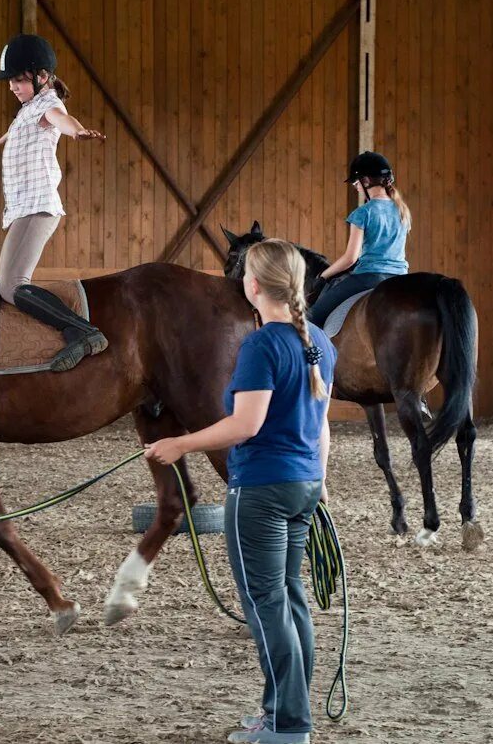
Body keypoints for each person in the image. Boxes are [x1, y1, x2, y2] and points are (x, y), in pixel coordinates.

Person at [145, 239, 337, 744]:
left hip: (260, 490)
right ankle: (284, 711)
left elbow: (245, 425)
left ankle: (287, 724)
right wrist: (317, 483)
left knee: (266, 603)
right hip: (302, 485)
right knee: (289, 598)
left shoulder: (261, 345)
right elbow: (322, 429)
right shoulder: (319, 341)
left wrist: (178, 444)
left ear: (253, 286)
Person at [0, 33, 108, 371]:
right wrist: (9, 135)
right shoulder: (28, 109)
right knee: (7, 285)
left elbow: (61, 119)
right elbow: (29, 126)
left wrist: (77, 131)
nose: (12, 86)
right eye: (9, 80)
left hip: (37, 207)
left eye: (18, 79)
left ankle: (83, 333)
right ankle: (79, 332)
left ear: (42, 76)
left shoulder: (47, 105)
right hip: (24, 209)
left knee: (12, 285)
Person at [308, 151, 412, 328]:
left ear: (365, 181)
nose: (356, 187)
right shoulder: (402, 210)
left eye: (356, 183)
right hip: (400, 278)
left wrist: (323, 276)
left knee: (312, 317)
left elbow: (351, 258)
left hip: (369, 277)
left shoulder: (363, 213)